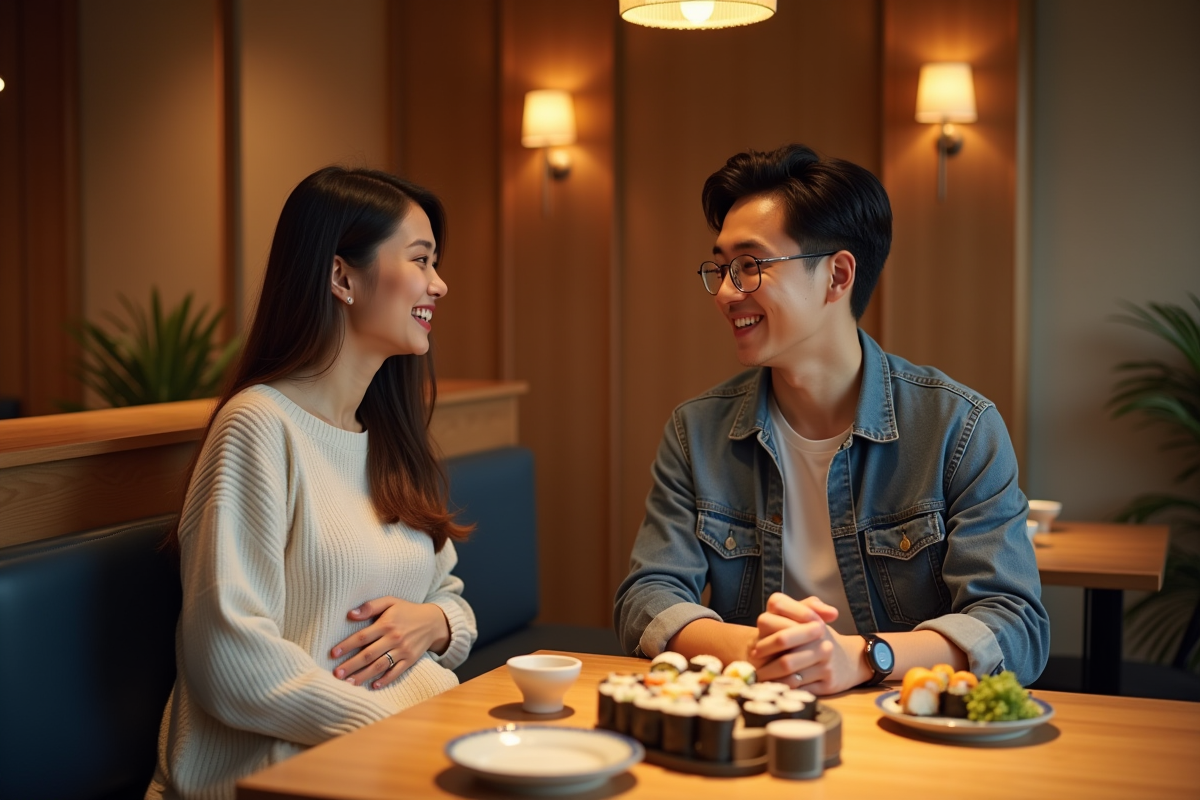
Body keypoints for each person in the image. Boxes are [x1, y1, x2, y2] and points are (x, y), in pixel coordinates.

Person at [614, 144, 1048, 696]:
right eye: (721, 268)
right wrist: (766, 651)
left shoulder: (958, 428)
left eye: (750, 266)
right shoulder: (695, 432)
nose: (726, 292)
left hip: (907, 728)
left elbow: (1017, 625)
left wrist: (863, 657)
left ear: (837, 276)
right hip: (758, 723)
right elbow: (647, 596)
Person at [147, 167, 477, 800]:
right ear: (340, 276)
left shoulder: (388, 436)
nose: (440, 283)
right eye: (421, 260)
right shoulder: (259, 428)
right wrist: (391, 729)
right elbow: (228, 659)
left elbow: (454, 599)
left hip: (400, 758)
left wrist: (435, 621)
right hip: (283, 775)